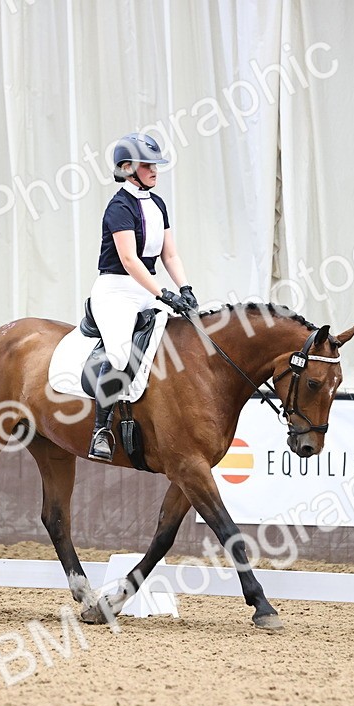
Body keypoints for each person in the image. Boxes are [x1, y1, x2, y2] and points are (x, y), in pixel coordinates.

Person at [87, 132, 198, 462]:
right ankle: (101, 430)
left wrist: (186, 290)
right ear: (126, 168)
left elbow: (170, 255)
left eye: (155, 164)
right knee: (121, 357)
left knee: (184, 341)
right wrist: (163, 293)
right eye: (147, 164)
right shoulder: (118, 207)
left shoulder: (158, 204)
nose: (155, 170)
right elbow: (129, 260)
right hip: (115, 291)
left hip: (146, 288)